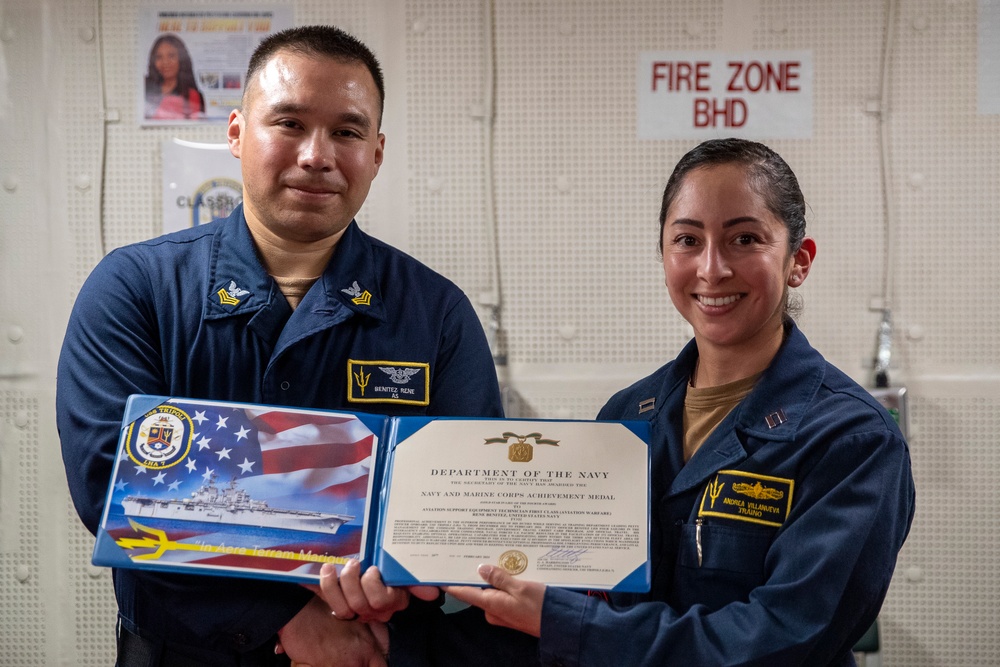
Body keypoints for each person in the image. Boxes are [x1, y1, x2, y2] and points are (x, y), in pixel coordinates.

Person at [324, 138, 916, 666]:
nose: (713, 267)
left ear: (798, 261)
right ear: (663, 257)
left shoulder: (851, 440)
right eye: (688, 239)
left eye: (745, 238)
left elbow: (781, 639)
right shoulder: (625, 418)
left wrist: (565, 623)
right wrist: (391, 642)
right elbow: (565, 615)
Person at [58, 25, 502, 666]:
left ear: (376, 153)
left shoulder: (435, 314)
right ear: (237, 133)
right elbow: (111, 487)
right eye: (289, 123)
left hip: (369, 644)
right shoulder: (136, 290)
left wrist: (387, 591)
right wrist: (286, 619)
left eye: (347, 132)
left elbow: (467, 501)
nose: (316, 154)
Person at [144, 33, 205, 120]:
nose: (165, 62)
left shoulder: (192, 96)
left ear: (181, 59)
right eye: (159, 57)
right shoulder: (144, 88)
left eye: (171, 56)